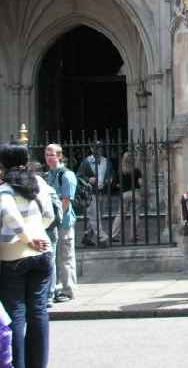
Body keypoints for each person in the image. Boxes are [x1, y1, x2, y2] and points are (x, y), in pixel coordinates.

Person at [0, 144, 54, 368]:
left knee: (16, 314)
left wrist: (26, 238)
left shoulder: (5, 188)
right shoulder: (39, 183)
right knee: (39, 311)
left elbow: (9, 215)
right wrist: (36, 234)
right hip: (43, 254)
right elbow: (50, 214)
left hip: (14, 256)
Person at [44, 144, 77, 304]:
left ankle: (68, 289)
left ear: (59, 156)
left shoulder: (67, 175)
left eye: (52, 154)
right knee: (55, 258)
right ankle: (57, 287)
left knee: (65, 256)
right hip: (52, 223)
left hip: (63, 222)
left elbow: (66, 201)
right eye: (47, 154)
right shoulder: (48, 175)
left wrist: (56, 218)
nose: (49, 157)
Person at [77, 142, 113, 246]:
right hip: (91, 193)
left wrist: (110, 179)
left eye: (100, 147)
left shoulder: (106, 161)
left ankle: (87, 236)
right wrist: (88, 179)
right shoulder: (86, 162)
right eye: (96, 148)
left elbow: (111, 173)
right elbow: (78, 176)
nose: (99, 150)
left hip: (103, 191)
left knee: (98, 215)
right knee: (94, 216)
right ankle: (102, 237)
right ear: (92, 149)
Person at [112, 151, 145, 243]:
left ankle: (114, 235)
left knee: (120, 214)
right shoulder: (137, 170)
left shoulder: (120, 171)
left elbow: (117, 185)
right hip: (135, 193)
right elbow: (140, 182)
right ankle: (133, 235)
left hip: (124, 194)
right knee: (135, 215)